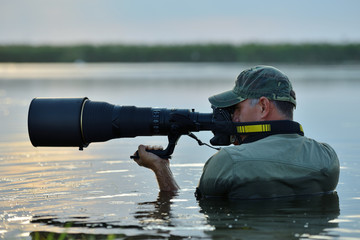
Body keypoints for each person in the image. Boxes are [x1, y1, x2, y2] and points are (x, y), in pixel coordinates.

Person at [133, 65, 339, 199]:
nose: (234, 119)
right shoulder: (327, 158)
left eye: (236, 109)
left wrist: (161, 169)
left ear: (263, 107)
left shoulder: (229, 162)